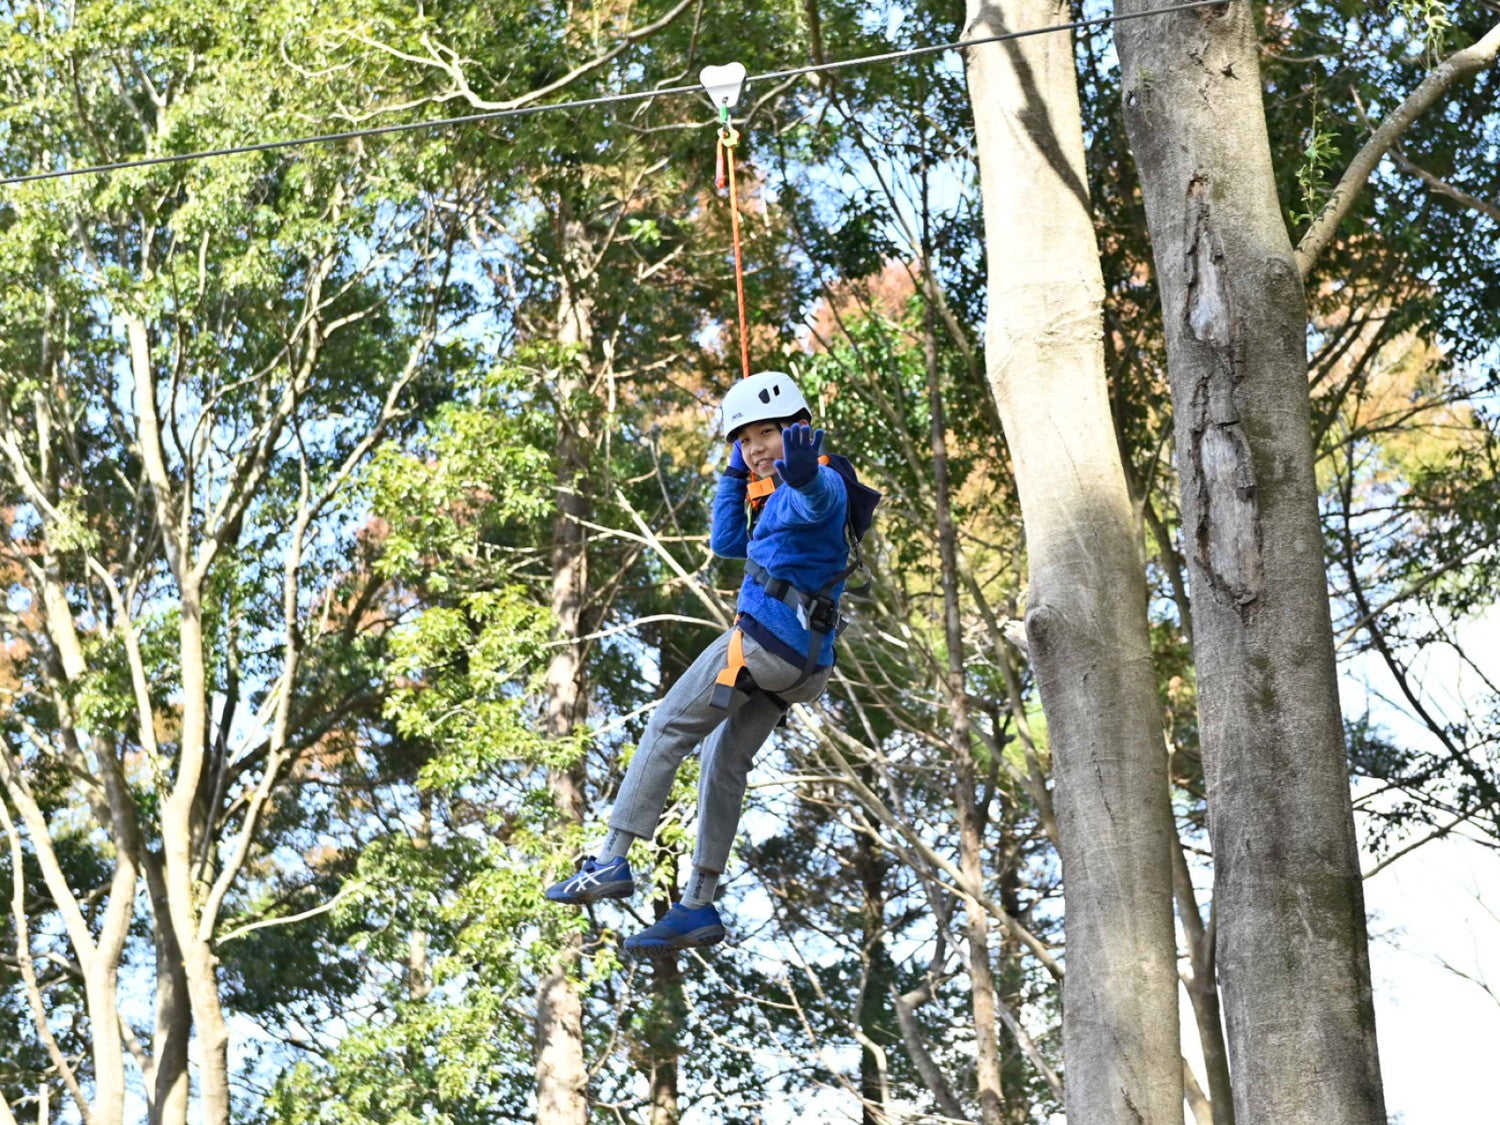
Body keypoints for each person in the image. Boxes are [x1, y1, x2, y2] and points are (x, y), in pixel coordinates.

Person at [544, 370, 855, 957]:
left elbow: (821, 497)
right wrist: (737, 474)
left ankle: (611, 859)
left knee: (667, 728)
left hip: (766, 641)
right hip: (804, 667)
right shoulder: (771, 486)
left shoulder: (821, 478)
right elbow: (726, 543)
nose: (757, 446)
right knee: (721, 760)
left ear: (799, 431)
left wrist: (804, 471)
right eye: (745, 439)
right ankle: (698, 902)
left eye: (768, 433)